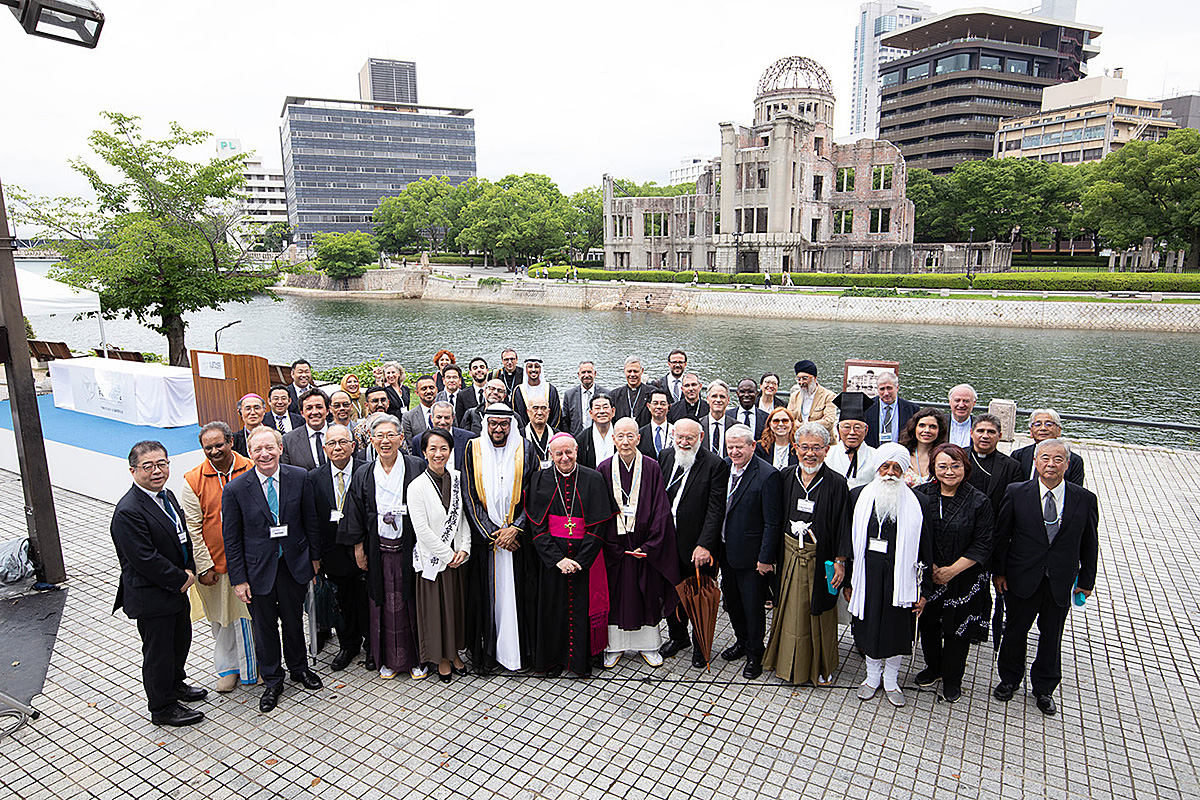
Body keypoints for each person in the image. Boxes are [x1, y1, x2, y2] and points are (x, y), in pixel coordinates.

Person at [993, 439, 1098, 716]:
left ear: (1068, 463)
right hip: (1022, 576)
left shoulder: (1084, 499)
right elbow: (1003, 536)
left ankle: (1044, 687)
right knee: (1016, 630)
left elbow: (1090, 543)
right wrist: (999, 572)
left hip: (1059, 580)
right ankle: (1009, 679)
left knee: (1052, 635)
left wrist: (1086, 581)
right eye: (1045, 459)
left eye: (1058, 459)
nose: (1051, 464)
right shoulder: (1016, 493)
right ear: (1036, 462)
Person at [222, 427, 323, 713]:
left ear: (280, 448)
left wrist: (314, 559)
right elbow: (232, 538)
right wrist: (238, 579)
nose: (264, 454)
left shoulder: (299, 477)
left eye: (270, 448)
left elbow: (310, 521)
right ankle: (272, 680)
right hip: (257, 571)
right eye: (257, 449)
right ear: (249, 453)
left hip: (293, 565)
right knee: (264, 627)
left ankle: (299, 669)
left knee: (293, 621)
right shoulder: (236, 489)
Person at [111, 440, 206, 727]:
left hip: (176, 589)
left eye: (162, 464)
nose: (157, 471)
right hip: (153, 595)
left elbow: (182, 536)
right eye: (148, 466)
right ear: (132, 470)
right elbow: (143, 558)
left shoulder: (166, 496)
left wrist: (190, 566)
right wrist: (181, 578)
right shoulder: (129, 510)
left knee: (180, 641)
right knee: (159, 652)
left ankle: (176, 685)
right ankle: (162, 707)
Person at [834, 442, 933, 708]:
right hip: (867, 576)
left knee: (895, 629)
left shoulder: (919, 502)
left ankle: (891, 680)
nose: (890, 473)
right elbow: (848, 541)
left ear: (904, 471)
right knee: (868, 627)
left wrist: (925, 591)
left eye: (896, 468)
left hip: (902, 579)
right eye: (885, 467)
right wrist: (849, 580)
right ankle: (870, 677)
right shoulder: (857, 496)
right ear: (877, 468)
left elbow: (926, 548)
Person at [338, 414, 427, 680]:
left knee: (412, 601)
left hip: (410, 546)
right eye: (380, 436)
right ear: (371, 440)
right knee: (382, 603)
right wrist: (358, 549)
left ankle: (417, 658)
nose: (385, 441)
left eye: (391, 435)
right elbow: (353, 512)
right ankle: (386, 659)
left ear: (402, 438)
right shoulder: (364, 472)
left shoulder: (416, 466)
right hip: (378, 548)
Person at [764, 423, 849, 686]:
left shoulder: (837, 483)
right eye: (804, 447)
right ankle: (783, 661)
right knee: (787, 610)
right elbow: (774, 518)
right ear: (795, 448)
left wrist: (840, 562)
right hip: (789, 554)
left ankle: (819, 666)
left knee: (818, 610)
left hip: (819, 557)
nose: (809, 454)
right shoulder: (786, 476)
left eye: (816, 448)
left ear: (826, 450)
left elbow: (845, 525)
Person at [527, 434, 618, 677]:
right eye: (559, 453)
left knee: (581, 610)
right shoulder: (539, 479)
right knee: (552, 610)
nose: (564, 458)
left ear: (576, 450)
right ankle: (553, 661)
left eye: (569, 452)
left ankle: (579, 662)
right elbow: (537, 527)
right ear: (551, 454)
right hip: (553, 562)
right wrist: (557, 559)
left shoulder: (593, 479)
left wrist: (580, 560)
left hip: (583, 562)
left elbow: (599, 526)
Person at [913, 444, 995, 703]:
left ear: (965, 467)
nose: (949, 471)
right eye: (943, 466)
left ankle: (952, 678)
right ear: (933, 468)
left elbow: (983, 542)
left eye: (955, 465)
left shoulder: (979, 501)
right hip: (928, 574)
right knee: (928, 625)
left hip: (963, 576)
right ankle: (933, 667)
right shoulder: (920, 494)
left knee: (957, 630)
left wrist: (951, 571)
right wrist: (932, 568)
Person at [462, 403, 539, 673]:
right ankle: (488, 654)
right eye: (493, 423)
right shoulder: (473, 449)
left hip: (517, 541)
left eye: (503, 424)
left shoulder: (526, 449)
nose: (498, 428)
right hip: (488, 541)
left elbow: (535, 492)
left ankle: (520, 654)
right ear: (486, 424)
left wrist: (516, 528)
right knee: (487, 598)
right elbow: (469, 495)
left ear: (511, 425)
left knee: (519, 595)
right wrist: (493, 534)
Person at [180, 422, 256, 694]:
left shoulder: (250, 467)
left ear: (231, 442)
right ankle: (228, 668)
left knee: (252, 617)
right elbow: (193, 527)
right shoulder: (193, 479)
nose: (213, 451)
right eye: (207, 447)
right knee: (222, 620)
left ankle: (255, 667)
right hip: (215, 563)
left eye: (218, 445)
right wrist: (204, 566)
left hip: (251, 560)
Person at [597, 419, 679, 668]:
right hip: (617, 548)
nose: (625, 441)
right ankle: (614, 646)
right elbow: (600, 510)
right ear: (613, 439)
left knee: (647, 595)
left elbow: (661, 508)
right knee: (617, 596)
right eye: (620, 436)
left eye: (630, 436)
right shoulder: (604, 468)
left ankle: (649, 645)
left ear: (638, 438)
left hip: (644, 545)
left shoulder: (652, 467)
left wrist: (650, 544)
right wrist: (612, 545)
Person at [657, 419, 728, 666]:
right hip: (668, 542)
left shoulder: (714, 464)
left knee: (699, 598)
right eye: (680, 437)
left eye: (690, 438)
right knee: (672, 595)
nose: (684, 443)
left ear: (700, 437)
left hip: (697, 546)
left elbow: (716, 509)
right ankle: (678, 637)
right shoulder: (665, 456)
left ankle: (701, 645)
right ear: (673, 435)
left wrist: (705, 544)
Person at [716, 424, 782, 680]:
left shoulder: (767, 475)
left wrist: (765, 558)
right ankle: (741, 641)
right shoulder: (723, 468)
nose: (734, 452)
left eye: (739, 447)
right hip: (725, 552)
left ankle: (756, 653)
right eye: (730, 446)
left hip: (752, 557)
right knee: (732, 603)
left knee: (753, 607)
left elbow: (772, 522)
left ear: (752, 446)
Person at [305, 424, 370, 672]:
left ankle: (371, 645)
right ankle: (348, 645)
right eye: (332, 443)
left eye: (343, 442)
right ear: (324, 448)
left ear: (353, 446)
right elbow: (311, 520)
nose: (338, 447)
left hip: (363, 550)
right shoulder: (314, 478)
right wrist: (315, 555)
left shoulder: (367, 471)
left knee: (366, 599)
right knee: (342, 601)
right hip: (333, 552)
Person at [409, 428, 471, 682]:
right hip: (433, 562)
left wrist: (465, 547)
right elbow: (421, 529)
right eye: (432, 449)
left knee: (456, 609)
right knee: (436, 613)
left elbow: (465, 517)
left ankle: (456, 653)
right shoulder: (416, 486)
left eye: (443, 448)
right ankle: (442, 658)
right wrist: (447, 554)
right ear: (424, 452)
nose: (438, 454)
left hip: (458, 559)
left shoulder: (458, 478)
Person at [966, 413, 1023, 515]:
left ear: (999, 436)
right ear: (971, 433)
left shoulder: (1012, 467)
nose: (985, 436)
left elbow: (1014, 503)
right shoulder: (958, 458)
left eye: (991, 432)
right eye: (980, 431)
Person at [1011, 409, 1086, 486]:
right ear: (1031, 431)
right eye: (1038, 424)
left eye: (1049, 424)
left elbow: (1075, 491)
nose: (1043, 428)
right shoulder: (1018, 456)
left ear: (1059, 430)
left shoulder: (1073, 460)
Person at [825, 392, 877, 490]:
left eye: (857, 427)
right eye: (847, 427)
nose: (852, 432)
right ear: (838, 429)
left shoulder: (876, 455)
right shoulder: (827, 455)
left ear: (866, 430)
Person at [281, 388, 331, 470]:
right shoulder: (288, 440)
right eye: (309, 408)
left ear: (327, 410)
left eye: (319, 407)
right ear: (302, 413)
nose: (314, 412)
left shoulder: (342, 434)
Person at [866, 371, 918, 448]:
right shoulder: (867, 407)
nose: (886, 393)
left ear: (897, 388)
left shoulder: (912, 409)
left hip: (901, 454)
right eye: (882, 389)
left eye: (889, 388)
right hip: (874, 453)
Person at [899, 407, 947, 487]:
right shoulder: (902, 454)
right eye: (922, 425)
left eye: (932, 426)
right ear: (914, 428)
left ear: (940, 430)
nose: (927, 430)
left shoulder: (943, 457)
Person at [787, 361, 835, 437]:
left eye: (805, 378)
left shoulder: (828, 396)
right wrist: (794, 422)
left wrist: (804, 425)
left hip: (821, 438)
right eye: (798, 379)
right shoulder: (795, 396)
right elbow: (789, 417)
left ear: (814, 378)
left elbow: (829, 422)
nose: (801, 382)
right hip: (799, 438)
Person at [424, 400, 474, 472]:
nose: (442, 422)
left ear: (453, 418)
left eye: (447, 418)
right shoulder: (419, 440)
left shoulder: (468, 438)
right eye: (439, 417)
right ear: (431, 418)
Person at [561, 360, 607, 437]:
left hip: (600, 436)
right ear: (578, 375)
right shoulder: (569, 395)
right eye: (583, 372)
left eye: (589, 372)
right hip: (576, 438)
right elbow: (565, 421)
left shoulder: (606, 394)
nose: (586, 375)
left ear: (594, 374)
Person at [513, 358, 561, 429]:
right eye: (530, 366)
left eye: (536, 366)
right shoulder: (518, 390)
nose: (533, 370)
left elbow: (556, 415)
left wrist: (549, 432)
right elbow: (517, 415)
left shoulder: (550, 389)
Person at [609, 356, 653, 427]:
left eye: (635, 371)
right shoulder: (614, 395)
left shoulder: (652, 393)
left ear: (642, 371)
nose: (632, 375)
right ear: (624, 371)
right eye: (629, 371)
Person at [575, 393, 616, 469]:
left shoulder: (620, 435)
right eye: (597, 408)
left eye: (605, 407)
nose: (602, 411)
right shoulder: (582, 439)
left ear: (613, 411)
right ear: (591, 413)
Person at [402, 374, 440, 449]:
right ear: (417, 393)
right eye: (424, 389)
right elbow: (410, 446)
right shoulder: (408, 417)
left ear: (436, 390)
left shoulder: (447, 411)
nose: (428, 391)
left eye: (431, 388)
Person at [355, 387, 392, 457]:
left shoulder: (396, 425)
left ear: (388, 403)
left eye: (383, 400)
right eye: (375, 401)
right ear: (366, 405)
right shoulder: (360, 430)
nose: (380, 404)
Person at [638, 389, 673, 458]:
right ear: (648, 406)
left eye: (663, 404)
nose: (659, 407)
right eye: (655, 403)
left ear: (668, 407)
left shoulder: (675, 432)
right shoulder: (641, 433)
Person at [523, 396, 556, 469]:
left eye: (543, 408)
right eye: (535, 408)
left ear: (548, 412)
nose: (540, 412)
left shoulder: (557, 435)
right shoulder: (520, 435)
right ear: (528, 412)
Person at [456, 357, 490, 426]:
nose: (479, 370)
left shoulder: (496, 392)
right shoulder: (462, 395)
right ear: (470, 373)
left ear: (487, 370)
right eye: (475, 368)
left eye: (482, 367)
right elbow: (460, 422)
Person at [702, 380, 732, 456]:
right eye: (714, 396)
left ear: (728, 400)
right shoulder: (698, 426)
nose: (718, 400)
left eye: (722, 397)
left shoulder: (735, 426)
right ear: (708, 399)